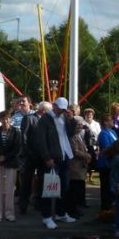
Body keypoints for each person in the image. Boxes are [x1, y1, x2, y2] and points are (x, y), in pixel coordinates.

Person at [32, 97, 77, 229]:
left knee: (64, 187)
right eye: (59, 108)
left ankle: (60, 212)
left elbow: (70, 132)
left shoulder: (63, 117)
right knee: (48, 188)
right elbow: (41, 140)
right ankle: (46, 217)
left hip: (65, 156)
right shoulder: (45, 119)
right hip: (53, 158)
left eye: (63, 109)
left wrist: (71, 119)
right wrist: (47, 157)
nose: (61, 111)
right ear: (54, 105)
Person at [0, 110, 21, 223]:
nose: (5, 121)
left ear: (10, 119)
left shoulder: (16, 131)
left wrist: (5, 157)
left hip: (11, 163)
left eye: (7, 118)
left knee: (10, 189)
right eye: (3, 119)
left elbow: (17, 149)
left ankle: (9, 214)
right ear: (0, 120)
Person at [18, 100, 46, 214]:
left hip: (42, 156)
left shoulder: (46, 120)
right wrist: (28, 153)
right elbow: (23, 137)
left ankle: (39, 203)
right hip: (30, 156)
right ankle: (23, 205)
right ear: (43, 110)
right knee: (27, 181)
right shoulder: (29, 118)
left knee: (41, 181)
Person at [68, 116, 92, 216]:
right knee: (74, 191)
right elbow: (75, 151)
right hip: (74, 167)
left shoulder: (78, 135)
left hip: (80, 167)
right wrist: (87, 155)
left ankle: (77, 209)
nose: (80, 127)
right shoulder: (72, 136)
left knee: (78, 190)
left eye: (81, 125)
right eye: (78, 125)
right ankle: (73, 211)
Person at [97, 113, 118, 211]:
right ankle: (105, 208)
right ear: (105, 122)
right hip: (105, 163)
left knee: (111, 186)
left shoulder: (113, 132)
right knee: (106, 186)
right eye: (110, 120)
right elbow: (107, 147)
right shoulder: (103, 133)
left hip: (113, 163)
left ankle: (111, 206)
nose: (112, 122)